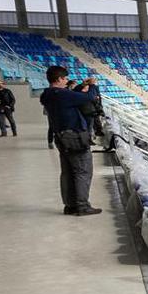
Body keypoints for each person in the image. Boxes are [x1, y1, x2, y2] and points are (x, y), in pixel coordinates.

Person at [40, 65, 100, 216]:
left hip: (61, 137)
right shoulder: (62, 95)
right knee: (82, 171)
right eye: (65, 79)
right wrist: (92, 85)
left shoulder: (48, 94)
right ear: (59, 79)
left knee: (67, 172)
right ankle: (82, 206)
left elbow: (71, 96)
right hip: (75, 137)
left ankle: (70, 205)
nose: (66, 81)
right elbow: (90, 97)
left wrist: (81, 85)